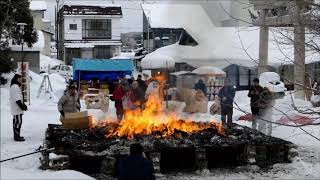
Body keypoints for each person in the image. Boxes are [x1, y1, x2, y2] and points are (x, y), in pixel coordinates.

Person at [10, 74, 27, 141]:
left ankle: (17, 136)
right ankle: (17, 137)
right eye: (20, 79)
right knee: (18, 122)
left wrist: (23, 105)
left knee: (16, 122)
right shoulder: (15, 87)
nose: (21, 80)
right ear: (17, 79)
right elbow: (17, 99)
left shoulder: (15, 86)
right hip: (17, 109)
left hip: (17, 109)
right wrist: (22, 106)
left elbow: (19, 98)